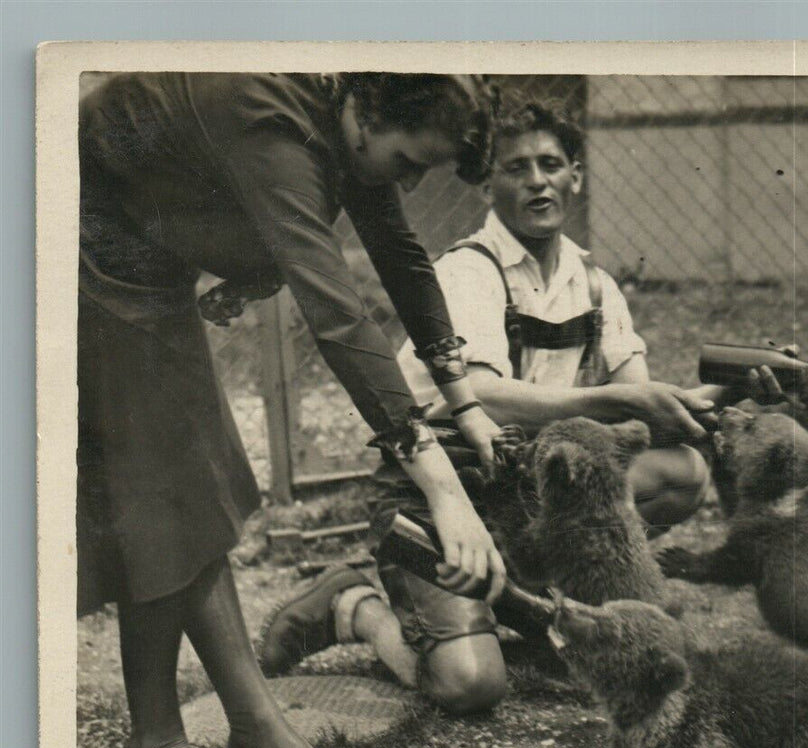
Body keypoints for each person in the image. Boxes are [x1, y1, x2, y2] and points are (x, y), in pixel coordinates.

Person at [78, 72, 511, 748]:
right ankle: (155, 742)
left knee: (196, 486)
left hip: (141, 249)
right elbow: (339, 318)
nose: (407, 181)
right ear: (367, 116)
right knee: (166, 490)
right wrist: (444, 490)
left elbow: (399, 253)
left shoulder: (343, 121)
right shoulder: (273, 121)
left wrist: (463, 398)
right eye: (408, 163)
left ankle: (255, 730)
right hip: (77, 244)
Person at [259, 102, 746, 716]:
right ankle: (354, 607)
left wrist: (731, 397)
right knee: (468, 685)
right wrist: (619, 399)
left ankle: (534, 608)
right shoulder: (468, 272)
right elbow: (482, 394)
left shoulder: (594, 284)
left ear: (576, 176)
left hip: (523, 496)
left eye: (551, 164)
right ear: (488, 184)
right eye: (517, 168)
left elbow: (642, 419)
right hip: (443, 495)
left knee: (681, 472)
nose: (537, 180)